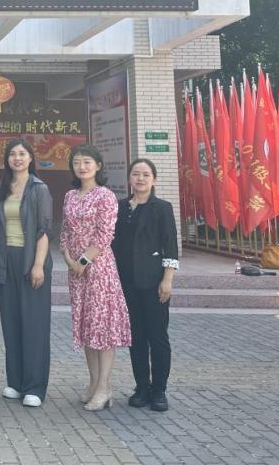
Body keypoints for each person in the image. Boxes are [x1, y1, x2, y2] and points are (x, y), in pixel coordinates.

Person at [59, 144, 130, 412]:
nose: (82, 166)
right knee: (87, 327)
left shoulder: (105, 196)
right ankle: (93, 383)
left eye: (87, 162)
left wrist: (83, 261)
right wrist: (69, 259)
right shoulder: (69, 196)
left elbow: (105, 234)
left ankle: (104, 387)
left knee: (102, 328)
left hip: (99, 270)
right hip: (76, 272)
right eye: (77, 162)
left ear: (98, 166)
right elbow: (65, 231)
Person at [0, 139, 53, 408]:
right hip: (6, 260)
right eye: (12, 154)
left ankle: (35, 386)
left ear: (31, 158)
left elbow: (44, 230)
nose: (17, 158)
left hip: (31, 259)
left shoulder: (39, 189)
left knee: (34, 324)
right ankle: (15, 382)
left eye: (22, 153)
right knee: (11, 321)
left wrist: (38, 265)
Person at [112, 158, 178, 412]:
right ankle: (141, 387)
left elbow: (170, 245)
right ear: (129, 178)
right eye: (136, 174)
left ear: (154, 179)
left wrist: (167, 279)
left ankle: (159, 390)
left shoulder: (162, 208)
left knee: (157, 337)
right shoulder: (120, 207)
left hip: (153, 282)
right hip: (126, 283)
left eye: (146, 174)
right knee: (136, 337)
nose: (140, 178)